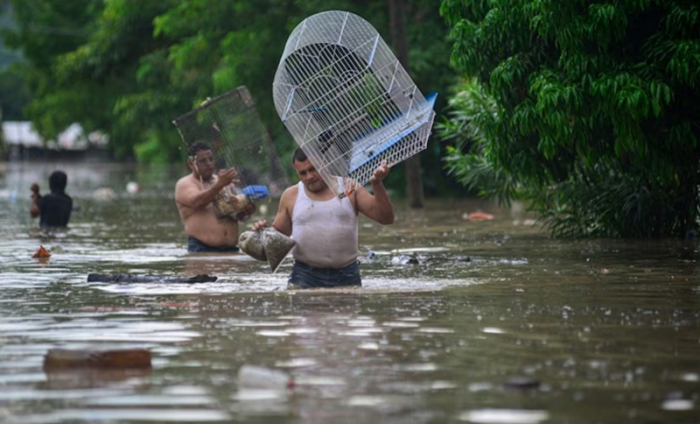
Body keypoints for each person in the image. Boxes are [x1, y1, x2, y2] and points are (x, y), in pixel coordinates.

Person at [252, 147, 394, 288]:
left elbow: (386, 218)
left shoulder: (349, 187)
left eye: (313, 169)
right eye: (303, 173)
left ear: (325, 165)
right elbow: (278, 237)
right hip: (304, 274)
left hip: (347, 273)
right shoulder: (291, 195)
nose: (309, 176)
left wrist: (377, 184)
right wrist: (262, 234)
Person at [175, 141, 255, 253]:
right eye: (203, 161)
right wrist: (219, 185)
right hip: (201, 250)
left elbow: (237, 215)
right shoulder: (185, 184)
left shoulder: (223, 181)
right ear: (191, 163)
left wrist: (246, 211)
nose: (209, 163)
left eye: (211, 159)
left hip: (231, 250)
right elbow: (197, 201)